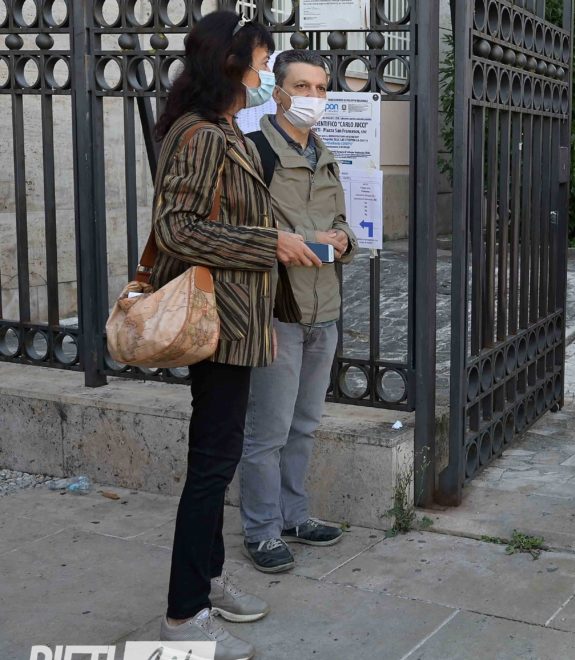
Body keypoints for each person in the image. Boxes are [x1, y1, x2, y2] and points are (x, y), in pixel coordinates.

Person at [150, 11, 322, 659]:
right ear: (230, 64)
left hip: (239, 322)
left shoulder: (226, 128)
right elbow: (177, 228)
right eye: (262, 62)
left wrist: (288, 239)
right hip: (216, 322)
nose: (266, 74)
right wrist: (268, 243)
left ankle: (209, 580)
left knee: (217, 461)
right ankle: (182, 616)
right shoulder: (199, 135)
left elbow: (235, 217)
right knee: (211, 467)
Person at [238, 50, 356, 574]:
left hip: (323, 307)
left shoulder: (325, 155)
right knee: (267, 431)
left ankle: (294, 516)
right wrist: (301, 239)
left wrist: (344, 239)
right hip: (276, 309)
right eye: (302, 86)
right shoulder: (253, 151)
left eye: (321, 88)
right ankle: (261, 531)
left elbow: (343, 221)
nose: (313, 97)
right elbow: (238, 230)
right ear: (279, 92)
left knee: (304, 425)